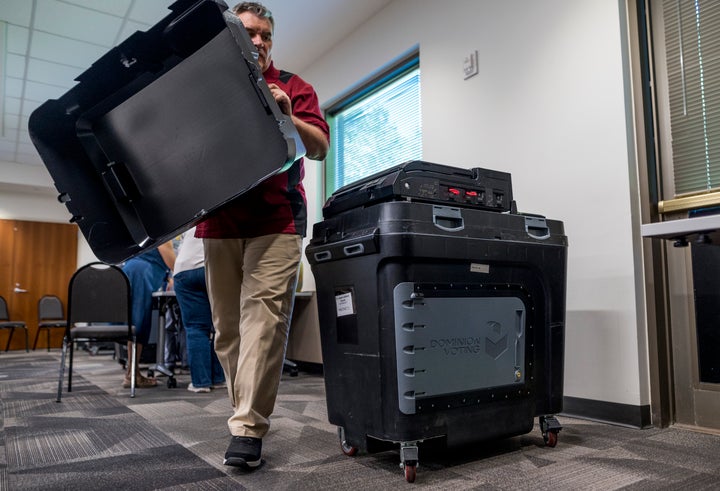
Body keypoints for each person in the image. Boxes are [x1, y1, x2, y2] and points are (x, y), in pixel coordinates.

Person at [195, 1, 330, 469]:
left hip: (277, 221)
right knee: (227, 333)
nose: (259, 42)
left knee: (265, 322)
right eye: (250, 33)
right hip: (220, 221)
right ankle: (243, 413)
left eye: (266, 35)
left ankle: (247, 428)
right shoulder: (212, 90)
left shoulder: (295, 86)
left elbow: (320, 147)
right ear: (233, 35)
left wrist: (286, 115)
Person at [173, 227, 225, 393]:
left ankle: (201, 383)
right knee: (220, 326)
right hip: (212, 267)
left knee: (196, 328)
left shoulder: (193, 219)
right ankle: (218, 379)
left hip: (184, 270)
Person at [121, 241, 176, 388]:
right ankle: (131, 375)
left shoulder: (147, 227)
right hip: (142, 274)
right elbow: (171, 261)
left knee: (135, 323)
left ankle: (132, 373)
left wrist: (168, 277)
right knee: (139, 324)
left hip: (135, 270)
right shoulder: (163, 230)